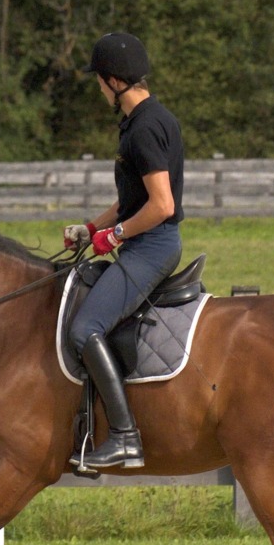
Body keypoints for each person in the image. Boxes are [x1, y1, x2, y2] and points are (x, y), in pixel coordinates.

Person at [59, 30, 185, 471]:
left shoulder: (145, 128)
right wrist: (92, 226)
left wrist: (114, 237)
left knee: (84, 328)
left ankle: (126, 438)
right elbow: (133, 199)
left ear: (113, 81)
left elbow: (162, 205)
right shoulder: (146, 119)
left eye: (99, 80)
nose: (98, 87)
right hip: (145, 239)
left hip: (152, 246)